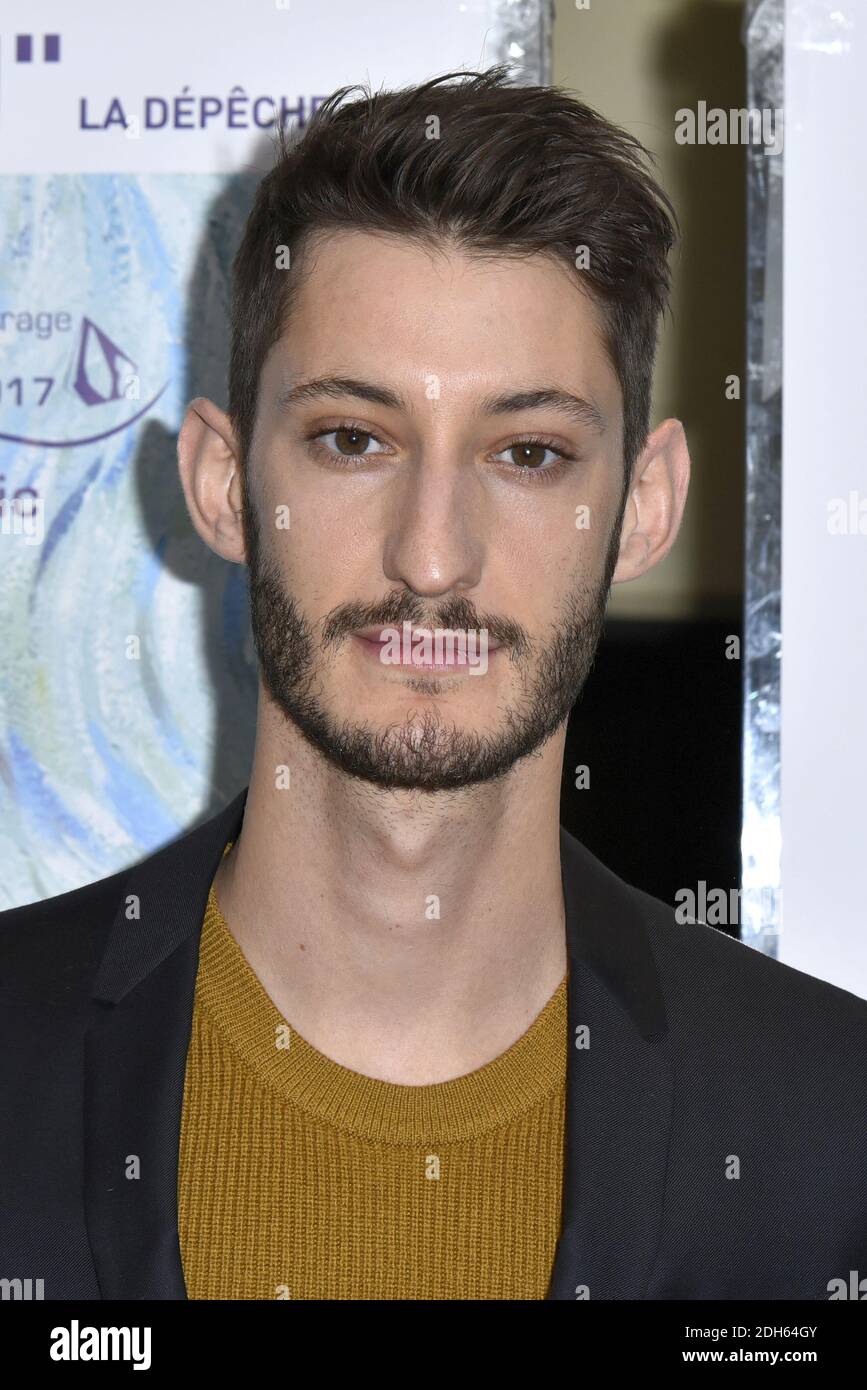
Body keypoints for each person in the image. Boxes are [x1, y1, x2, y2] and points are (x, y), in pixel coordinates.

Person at [1, 67, 865, 1302]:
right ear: (220, 481)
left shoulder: (829, 1132)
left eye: (529, 454)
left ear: (643, 510)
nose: (432, 556)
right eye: (354, 438)